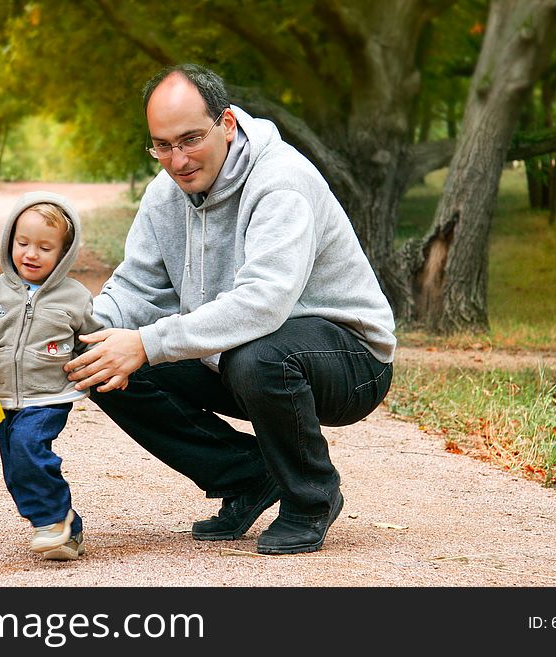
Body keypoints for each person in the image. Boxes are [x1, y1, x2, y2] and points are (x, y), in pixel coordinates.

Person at [65, 63, 396, 555]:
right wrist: (60, 332)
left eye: (190, 139)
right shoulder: (165, 194)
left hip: (349, 361)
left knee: (254, 355)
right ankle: (247, 475)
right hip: (239, 355)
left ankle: (311, 497)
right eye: (162, 145)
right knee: (97, 356)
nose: (177, 160)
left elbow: (264, 302)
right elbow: (135, 289)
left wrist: (150, 342)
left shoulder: (280, 181)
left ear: (227, 124)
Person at [0, 191, 102, 560]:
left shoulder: (75, 296)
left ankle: (50, 522)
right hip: (1, 397)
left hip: (50, 394)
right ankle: (70, 529)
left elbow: (90, 339)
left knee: (29, 448)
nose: (31, 254)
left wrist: (102, 370)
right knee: (16, 470)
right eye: (23, 243)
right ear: (10, 241)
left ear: (63, 254)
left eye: (44, 248)